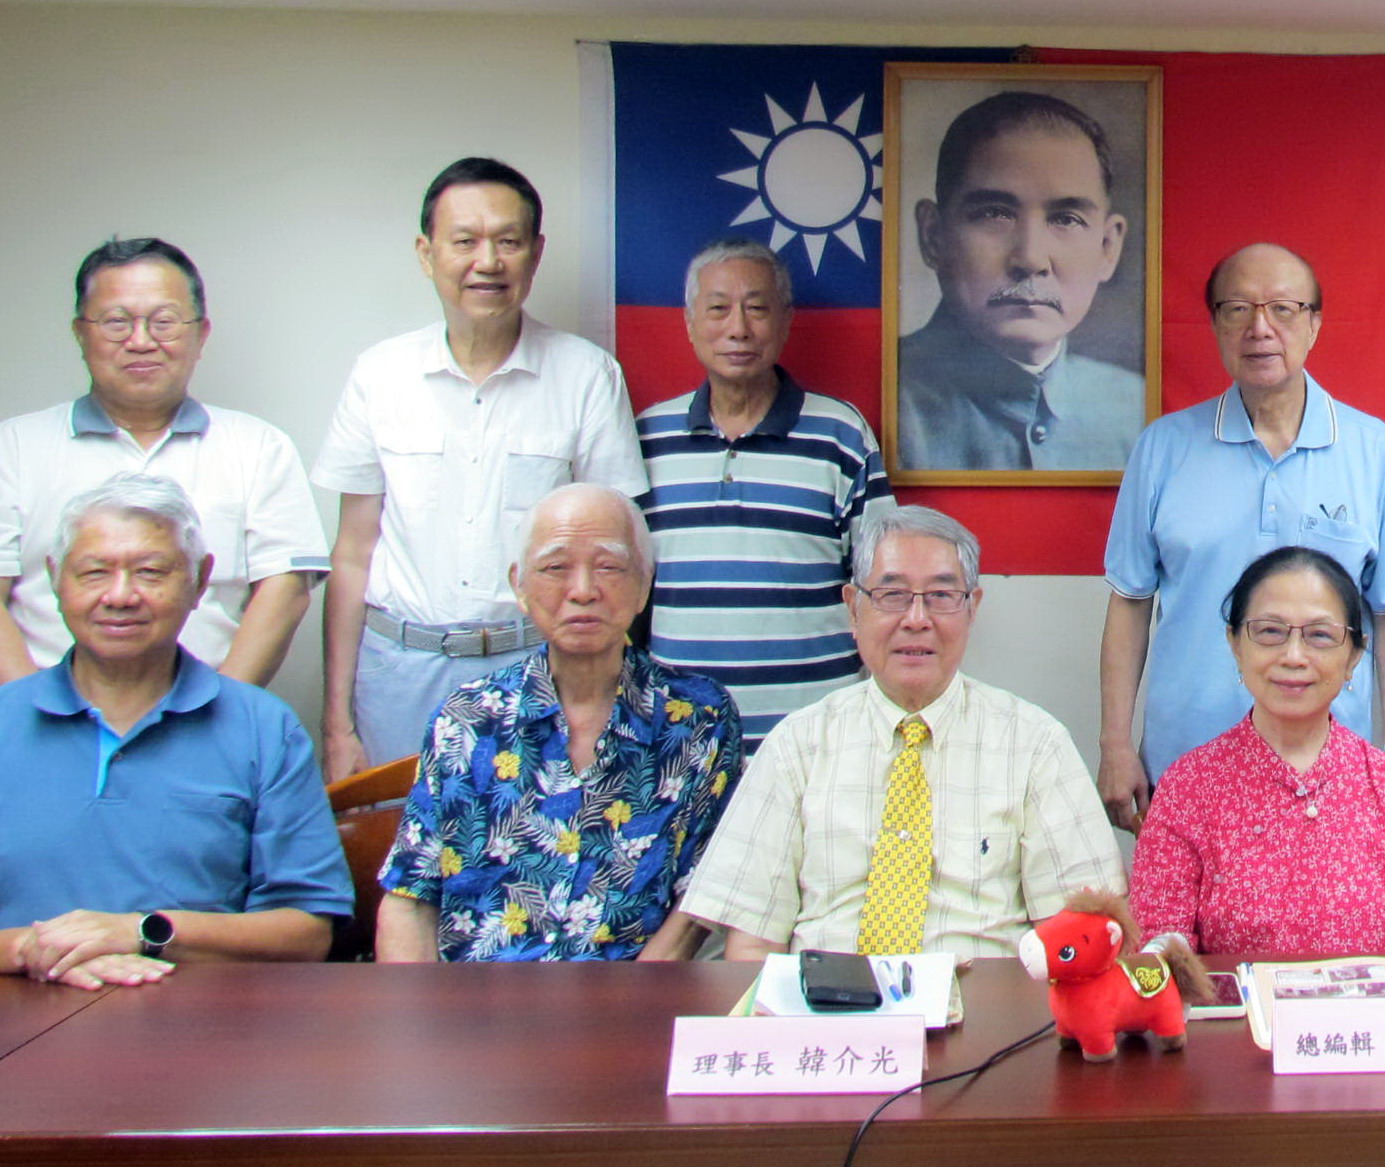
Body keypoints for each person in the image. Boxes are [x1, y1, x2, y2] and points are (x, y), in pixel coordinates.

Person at [0, 477, 348, 989]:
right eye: (94, 572)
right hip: (2, 1040)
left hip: (201, 1041)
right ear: (55, 579)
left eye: (150, 572)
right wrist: (32, 949)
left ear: (200, 579)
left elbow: (307, 933)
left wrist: (141, 932)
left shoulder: (263, 730)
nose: (120, 596)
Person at [314, 157, 650, 781]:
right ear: (427, 252)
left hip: (538, 665)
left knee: (530, 860)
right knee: (401, 864)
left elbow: (616, 557)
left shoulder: (586, 376)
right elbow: (353, 555)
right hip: (397, 672)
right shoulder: (379, 375)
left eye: (508, 241)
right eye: (465, 241)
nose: (487, 261)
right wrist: (338, 724)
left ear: (535, 252)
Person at [679, 506, 1124, 962]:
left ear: (973, 609)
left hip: (988, 1016)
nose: (916, 618)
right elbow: (753, 942)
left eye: (941, 596)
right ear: (853, 609)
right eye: (892, 595)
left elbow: (1080, 932)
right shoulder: (797, 745)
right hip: (827, 1016)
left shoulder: (1035, 745)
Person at [1099, 242, 1385, 830]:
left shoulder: (1376, 451)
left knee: (1331, 921)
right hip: (1185, 757)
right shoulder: (1163, 447)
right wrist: (1116, 746)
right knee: (1180, 922)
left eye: (1283, 308)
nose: (1260, 329)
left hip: (1333, 765)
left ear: (1314, 324)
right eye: (1237, 309)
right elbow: (1129, 603)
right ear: (1215, 324)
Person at [374, 486, 744, 963]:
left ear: (645, 583)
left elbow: (702, 899)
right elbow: (410, 899)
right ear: (519, 586)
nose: (584, 590)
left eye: (609, 566)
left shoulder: (699, 719)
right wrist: (421, 1030)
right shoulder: (467, 719)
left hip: (629, 1011)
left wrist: (630, 1011)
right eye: (555, 567)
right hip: (473, 1018)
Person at [0, 238, 328, 690]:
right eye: (116, 322)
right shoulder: (4, 451)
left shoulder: (259, 447)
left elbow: (283, 596)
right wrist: (42, 728)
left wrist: (216, 722)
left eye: (163, 322)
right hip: (45, 723)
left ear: (201, 333)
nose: (141, 341)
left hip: (209, 724)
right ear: (80, 333)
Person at [1130, 548, 1385, 959]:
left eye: (1320, 635)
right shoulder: (1189, 786)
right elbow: (1158, 951)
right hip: (1234, 1020)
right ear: (1235, 643)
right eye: (1269, 632)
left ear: (1355, 654)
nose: (1293, 656)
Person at [635, 239, 894, 755]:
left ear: (785, 320)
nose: (739, 328)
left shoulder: (841, 436)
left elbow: (884, 584)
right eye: (718, 309)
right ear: (689, 321)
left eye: (757, 308)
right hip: (678, 747)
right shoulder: (645, 440)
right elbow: (625, 592)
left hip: (814, 741)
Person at [895, 91, 1144, 472]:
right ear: (933, 236)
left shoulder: (1138, 412)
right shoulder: (881, 399)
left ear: (1108, 248)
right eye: (994, 213)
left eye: (1066, 219)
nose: (1030, 259)